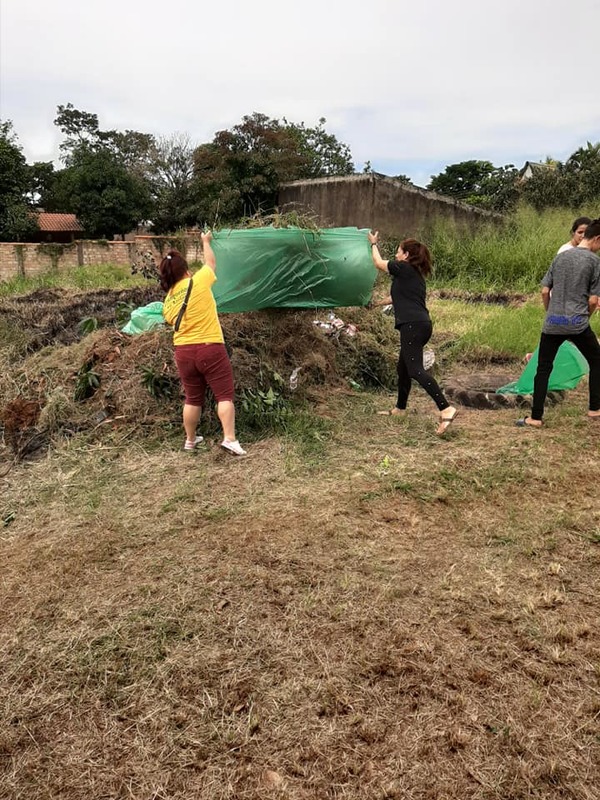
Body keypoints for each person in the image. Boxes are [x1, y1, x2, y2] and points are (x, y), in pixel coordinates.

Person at [160, 233, 246, 455]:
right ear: (186, 270)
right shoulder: (198, 281)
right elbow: (211, 263)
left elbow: (170, 320)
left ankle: (190, 440)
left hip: (183, 353)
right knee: (224, 395)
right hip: (210, 349)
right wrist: (205, 242)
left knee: (192, 398)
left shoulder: (168, 299)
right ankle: (229, 438)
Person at [368, 231, 458, 435]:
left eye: (399, 251)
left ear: (406, 255)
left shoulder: (403, 268)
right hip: (421, 324)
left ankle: (446, 408)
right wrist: (375, 304)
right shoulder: (414, 275)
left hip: (412, 325)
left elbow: (378, 263)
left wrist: (373, 244)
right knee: (403, 368)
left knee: (415, 370)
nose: (397, 254)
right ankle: (400, 408)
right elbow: (397, 298)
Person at [517, 218, 600, 428]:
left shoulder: (561, 257)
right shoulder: (594, 262)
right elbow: (592, 300)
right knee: (597, 361)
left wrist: (551, 312)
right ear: (597, 239)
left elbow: (545, 290)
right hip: (578, 322)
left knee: (543, 368)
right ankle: (594, 409)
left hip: (553, 322)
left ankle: (535, 417)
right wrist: (585, 317)